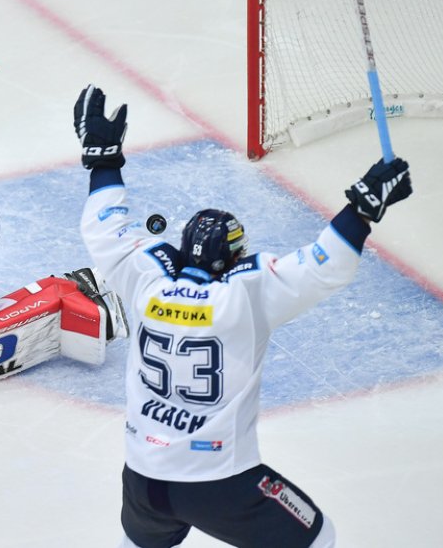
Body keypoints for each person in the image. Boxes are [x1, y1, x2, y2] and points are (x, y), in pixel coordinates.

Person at [72, 84, 413, 548]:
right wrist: (363, 209)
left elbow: (108, 228)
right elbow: (322, 264)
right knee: (319, 536)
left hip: (142, 479)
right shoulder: (246, 294)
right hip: (218, 481)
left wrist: (103, 159)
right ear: (232, 258)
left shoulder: (145, 279)